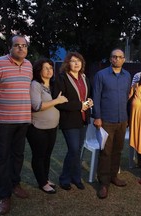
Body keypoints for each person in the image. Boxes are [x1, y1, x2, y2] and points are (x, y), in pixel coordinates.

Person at [0, 35, 32, 215]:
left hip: (23, 120)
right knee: (1, 158)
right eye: (17, 45)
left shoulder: (28, 65)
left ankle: (15, 184)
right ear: (10, 48)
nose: (21, 48)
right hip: (2, 122)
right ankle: (4, 195)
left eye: (24, 46)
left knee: (18, 155)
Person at [92, 48, 131, 199]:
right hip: (106, 120)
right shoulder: (101, 75)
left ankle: (114, 176)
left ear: (123, 60)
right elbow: (96, 96)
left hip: (122, 120)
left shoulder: (127, 75)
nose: (117, 59)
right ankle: (103, 183)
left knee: (117, 151)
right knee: (105, 152)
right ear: (110, 59)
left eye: (120, 57)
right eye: (114, 57)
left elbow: (127, 97)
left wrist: (127, 118)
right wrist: (97, 117)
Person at [26, 58, 68, 194]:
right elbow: (37, 106)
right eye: (45, 68)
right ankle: (42, 183)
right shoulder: (35, 85)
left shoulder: (53, 85)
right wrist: (57, 101)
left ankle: (45, 178)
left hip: (52, 127)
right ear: (39, 71)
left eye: (50, 68)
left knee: (47, 155)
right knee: (39, 155)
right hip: (38, 128)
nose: (49, 70)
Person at [53, 52, 93, 191]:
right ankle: (65, 178)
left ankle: (76, 178)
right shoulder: (62, 78)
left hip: (83, 119)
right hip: (69, 120)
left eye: (79, 61)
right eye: (73, 61)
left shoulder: (84, 78)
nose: (76, 63)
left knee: (77, 150)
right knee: (74, 149)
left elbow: (87, 95)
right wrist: (79, 105)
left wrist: (89, 101)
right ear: (67, 63)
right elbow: (59, 102)